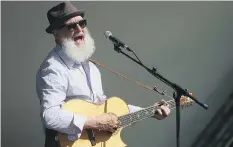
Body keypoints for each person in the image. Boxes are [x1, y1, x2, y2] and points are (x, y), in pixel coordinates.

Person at [36, 1, 171, 147]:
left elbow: (102, 107)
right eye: (71, 26)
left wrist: (151, 111)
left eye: (82, 23)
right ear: (56, 34)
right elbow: (50, 116)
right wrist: (94, 123)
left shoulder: (91, 67)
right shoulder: (53, 69)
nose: (79, 29)